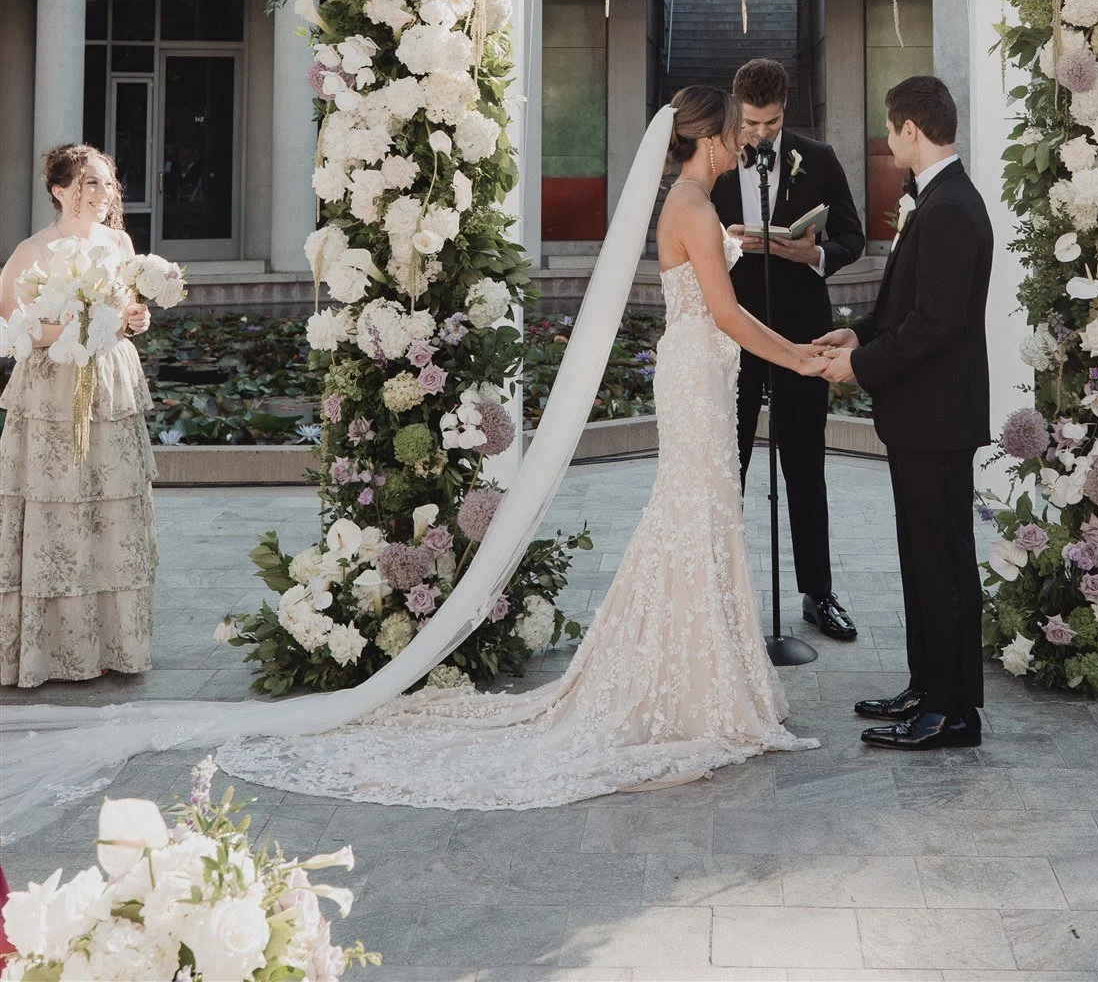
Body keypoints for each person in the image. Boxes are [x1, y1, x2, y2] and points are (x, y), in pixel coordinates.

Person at [209, 87, 825, 810]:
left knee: (704, 508)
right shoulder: (693, 205)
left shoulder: (691, 203)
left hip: (704, 365)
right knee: (695, 507)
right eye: (731, 133)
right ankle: (691, 684)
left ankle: (709, 677)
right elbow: (724, 310)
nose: (738, 144)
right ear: (712, 138)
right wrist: (801, 358)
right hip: (700, 365)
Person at [816, 76, 992, 750]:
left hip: (938, 416)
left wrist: (859, 368)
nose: (887, 144)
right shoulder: (939, 199)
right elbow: (907, 308)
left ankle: (953, 712)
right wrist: (857, 334)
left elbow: (936, 325)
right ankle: (926, 688)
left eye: (890, 131)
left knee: (943, 565)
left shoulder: (948, 207)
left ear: (910, 130)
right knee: (921, 561)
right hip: (923, 415)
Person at [712, 58, 865, 643]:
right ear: (735, 110)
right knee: (733, 466)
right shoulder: (717, 161)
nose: (758, 135)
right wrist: (725, 243)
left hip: (803, 334)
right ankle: (722, 591)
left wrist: (816, 255)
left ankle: (817, 593)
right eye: (750, 123)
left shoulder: (818, 158)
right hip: (738, 334)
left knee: (806, 466)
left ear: (786, 112)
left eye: (771, 124)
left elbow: (852, 234)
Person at [0, 144, 156, 688]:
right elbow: (12, 325)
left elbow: (133, 311)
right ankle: (55, 651)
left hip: (111, 383)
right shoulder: (33, 251)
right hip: (52, 390)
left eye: (107, 183)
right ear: (60, 190)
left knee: (110, 509)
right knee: (59, 508)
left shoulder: (119, 243)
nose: (102, 192)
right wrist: (72, 329)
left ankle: (112, 644)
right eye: (90, 182)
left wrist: (135, 317)